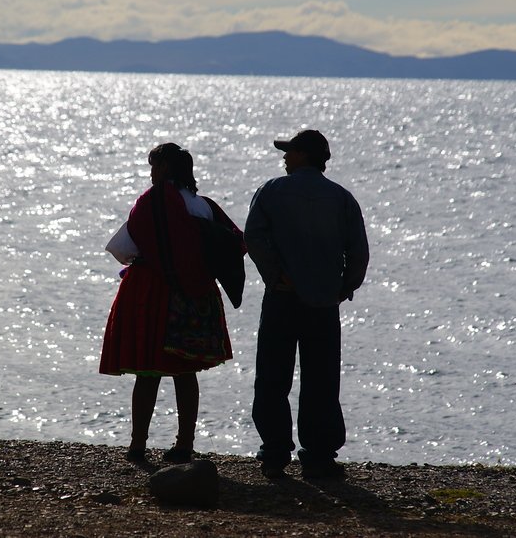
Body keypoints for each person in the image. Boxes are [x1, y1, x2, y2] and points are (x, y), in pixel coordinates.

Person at [100, 143, 244, 464]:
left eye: (154, 166)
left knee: (147, 372)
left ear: (165, 168)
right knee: (185, 370)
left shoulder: (151, 203)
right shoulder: (203, 206)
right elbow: (227, 243)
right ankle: (185, 444)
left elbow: (132, 241)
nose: (151, 173)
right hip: (197, 294)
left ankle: (138, 445)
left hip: (153, 293)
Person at [244, 129, 369, 479]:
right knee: (322, 379)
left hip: (282, 298)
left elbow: (253, 236)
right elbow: (358, 252)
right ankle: (318, 455)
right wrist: (344, 288)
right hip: (323, 303)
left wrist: (274, 274)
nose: (284, 157)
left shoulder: (271, 191)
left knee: (273, 377)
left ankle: (274, 452)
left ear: (302, 155)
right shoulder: (342, 198)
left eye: (289, 152)